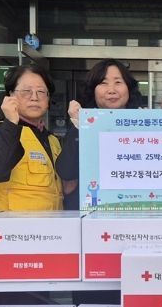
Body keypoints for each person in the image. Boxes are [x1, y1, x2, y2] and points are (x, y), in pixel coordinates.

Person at [55, 59, 141, 211]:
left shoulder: (143, 123)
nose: (111, 90)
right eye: (103, 83)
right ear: (93, 90)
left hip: (135, 209)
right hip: (92, 214)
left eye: (118, 82)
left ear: (129, 87)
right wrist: (80, 126)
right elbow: (66, 171)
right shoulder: (83, 124)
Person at [0, 63, 62, 211]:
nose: (34, 98)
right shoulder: (2, 129)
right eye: (26, 91)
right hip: (14, 224)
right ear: (10, 96)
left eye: (41, 92)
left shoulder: (52, 140)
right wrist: (11, 122)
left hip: (51, 223)